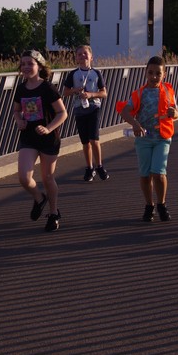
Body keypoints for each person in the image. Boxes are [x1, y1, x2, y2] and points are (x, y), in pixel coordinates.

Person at [118, 56, 178, 222]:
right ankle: (149, 205)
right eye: (150, 72)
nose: (154, 76)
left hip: (162, 137)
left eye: (158, 73)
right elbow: (125, 111)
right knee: (145, 175)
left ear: (164, 74)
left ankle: (162, 204)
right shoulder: (139, 93)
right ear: (145, 73)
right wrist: (135, 124)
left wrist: (175, 113)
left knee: (159, 173)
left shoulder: (168, 90)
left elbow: (176, 111)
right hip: (144, 139)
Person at [13, 50, 68, 232]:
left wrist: (48, 128)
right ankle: (39, 198)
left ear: (39, 66)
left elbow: (62, 113)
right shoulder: (21, 88)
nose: (26, 67)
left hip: (48, 138)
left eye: (30, 63)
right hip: (29, 137)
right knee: (24, 177)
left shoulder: (48, 88)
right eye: (23, 64)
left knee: (47, 178)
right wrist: (19, 120)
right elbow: (16, 110)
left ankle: (53, 213)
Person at [62, 45, 109, 182]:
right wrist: (76, 90)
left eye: (85, 53)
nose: (82, 56)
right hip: (79, 109)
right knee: (85, 142)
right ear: (76, 58)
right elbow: (65, 92)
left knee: (94, 139)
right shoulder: (73, 74)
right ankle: (89, 168)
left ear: (91, 57)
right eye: (79, 54)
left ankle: (99, 166)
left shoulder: (96, 73)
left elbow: (104, 93)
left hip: (94, 108)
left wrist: (91, 95)